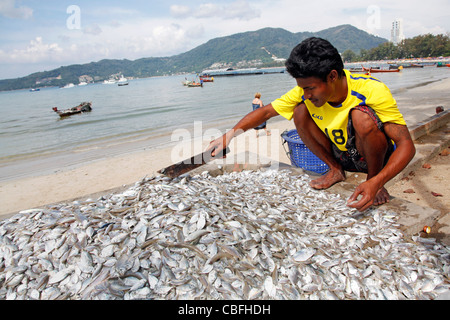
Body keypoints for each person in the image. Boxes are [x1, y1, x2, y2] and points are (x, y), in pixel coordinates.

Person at [208, 37, 416, 212]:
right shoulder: (304, 93)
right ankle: (335, 170)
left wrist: (377, 181)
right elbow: (266, 111)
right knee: (299, 110)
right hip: (341, 154)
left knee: (361, 117)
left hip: (371, 155)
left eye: (311, 88)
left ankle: (372, 182)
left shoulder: (371, 90)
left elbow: (406, 144)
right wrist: (228, 136)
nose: (306, 94)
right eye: (302, 88)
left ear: (332, 76)